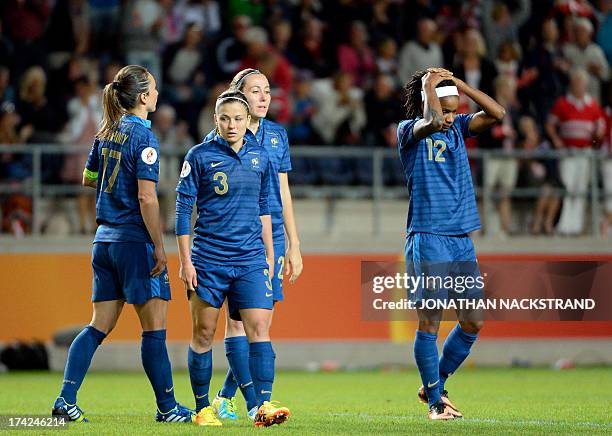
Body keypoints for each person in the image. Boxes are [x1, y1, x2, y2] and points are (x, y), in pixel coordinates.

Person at [51, 65, 193, 423]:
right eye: (155, 89)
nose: (159, 95)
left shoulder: (106, 132)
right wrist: (159, 247)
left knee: (98, 326)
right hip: (133, 241)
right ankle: (167, 408)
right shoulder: (144, 138)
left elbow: (88, 178)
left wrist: (112, 193)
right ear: (144, 97)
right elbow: (148, 198)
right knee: (155, 329)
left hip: (104, 242)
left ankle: (66, 398)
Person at [176, 89, 291, 427]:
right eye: (224, 118)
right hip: (209, 259)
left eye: (238, 119)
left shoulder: (261, 158)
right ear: (215, 120)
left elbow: (265, 210)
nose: (231, 125)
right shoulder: (198, 156)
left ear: (247, 122)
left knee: (259, 328)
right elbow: (183, 211)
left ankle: (262, 406)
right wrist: (186, 262)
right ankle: (202, 408)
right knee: (203, 334)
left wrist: (270, 257)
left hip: (250, 259)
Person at [398, 67, 505, 420]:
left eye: (454, 109)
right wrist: (430, 83)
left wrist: (458, 85)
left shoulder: (459, 129)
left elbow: (497, 113)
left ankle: (435, 383)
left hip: (461, 239)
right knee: (430, 321)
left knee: (473, 321)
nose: (450, 115)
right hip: (428, 237)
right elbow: (429, 121)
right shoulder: (409, 132)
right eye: (446, 108)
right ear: (429, 103)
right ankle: (434, 403)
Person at [203, 69, 303, 421]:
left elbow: (284, 192)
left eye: (267, 91)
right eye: (255, 91)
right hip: (236, 239)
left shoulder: (277, 136)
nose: (263, 97)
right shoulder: (220, 138)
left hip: (271, 236)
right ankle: (255, 403)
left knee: (260, 325)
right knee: (236, 324)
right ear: (239, 96)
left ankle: (226, 395)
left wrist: (294, 244)